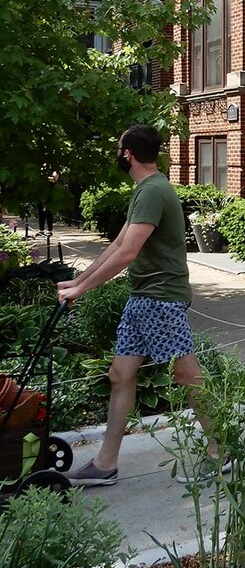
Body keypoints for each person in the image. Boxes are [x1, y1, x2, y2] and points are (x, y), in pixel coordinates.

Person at [57, 124, 227, 486]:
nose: (118, 154)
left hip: (160, 298)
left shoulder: (153, 191)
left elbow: (129, 253)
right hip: (143, 298)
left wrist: (82, 291)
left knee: (187, 374)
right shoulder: (146, 190)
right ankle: (105, 464)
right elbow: (118, 245)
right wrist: (78, 281)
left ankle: (220, 450)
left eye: (119, 149)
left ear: (128, 154)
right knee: (120, 376)